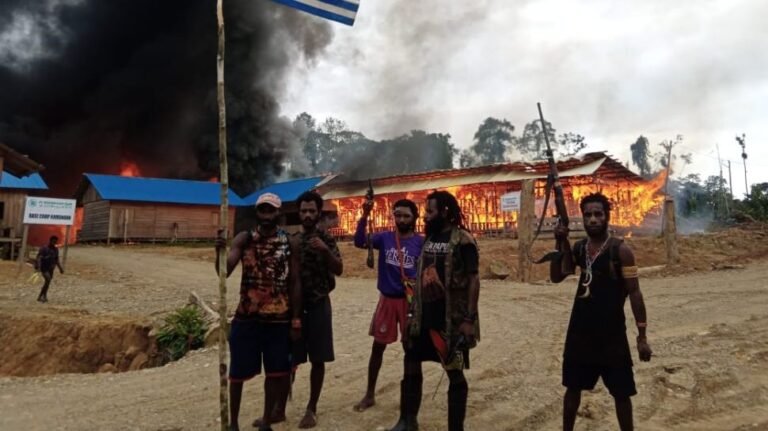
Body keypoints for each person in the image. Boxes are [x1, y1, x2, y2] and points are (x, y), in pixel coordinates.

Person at [549, 192, 653, 431]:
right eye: (588, 215)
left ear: (607, 217)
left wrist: (642, 337)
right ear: (582, 219)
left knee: (622, 394)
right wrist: (560, 242)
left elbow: (635, 293)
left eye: (598, 214)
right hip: (580, 335)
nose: (593, 219)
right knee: (572, 390)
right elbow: (557, 276)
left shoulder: (621, 251)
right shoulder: (578, 248)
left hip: (612, 337)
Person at [390, 190, 479, 431]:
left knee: (454, 373)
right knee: (410, 362)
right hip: (423, 317)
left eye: (430, 211)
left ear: (445, 212)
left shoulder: (464, 240)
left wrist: (469, 320)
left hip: (450, 321)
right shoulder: (428, 240)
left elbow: (473, 279)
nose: (426, 216)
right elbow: (418, 279)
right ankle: (407, 420)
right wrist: (410, 315)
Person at [215, 192, 302, 431]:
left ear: (278, 213)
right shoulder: (245, 239)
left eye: (271, 210)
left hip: (278, 317)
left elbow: (295, 281)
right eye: (262, 210)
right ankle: (232, 423)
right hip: (247, 316)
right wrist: (219, 252)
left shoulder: (289, 242)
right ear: (257, 212)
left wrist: (295, 318)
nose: (267, 214)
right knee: (237, 373)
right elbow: (224, 272)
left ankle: (266, 420)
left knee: (275, 372)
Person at [353, 198, 424, 412]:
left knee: (410, 349)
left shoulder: (421, 243)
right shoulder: (384, 238)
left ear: (414, 218)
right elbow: (359, 241)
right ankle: (369, 393)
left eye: (406, 215)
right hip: (387, 300)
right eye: (398, 215)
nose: (401, 219)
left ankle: (409, 396)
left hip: (410, 303)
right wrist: (364, 216)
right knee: (378, 347)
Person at [289, 191, 343, 429]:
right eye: (304, 211)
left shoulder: (326, 239)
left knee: (318, 359)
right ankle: (279, 407)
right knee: (289, 357)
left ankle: (311, 408)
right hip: (294, 308)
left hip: (319, 304)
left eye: (312, 211)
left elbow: (339, 269)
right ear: (299, 213)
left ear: (318, 213)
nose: (308, 215)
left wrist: (324, 250)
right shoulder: (293, 241)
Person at [36, 235, 64, 303]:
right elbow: (39, 258)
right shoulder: (44, 248)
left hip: (51, 268)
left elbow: (56, 259)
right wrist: (39, 267)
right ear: (50, 241)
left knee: (47, 282)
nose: (54, 243)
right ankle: (42, 296)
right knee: (48, 280)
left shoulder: (56, 249)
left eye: (55, 242)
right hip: (44, 268)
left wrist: (60, 268)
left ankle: (42, 296)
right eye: (53, 241)